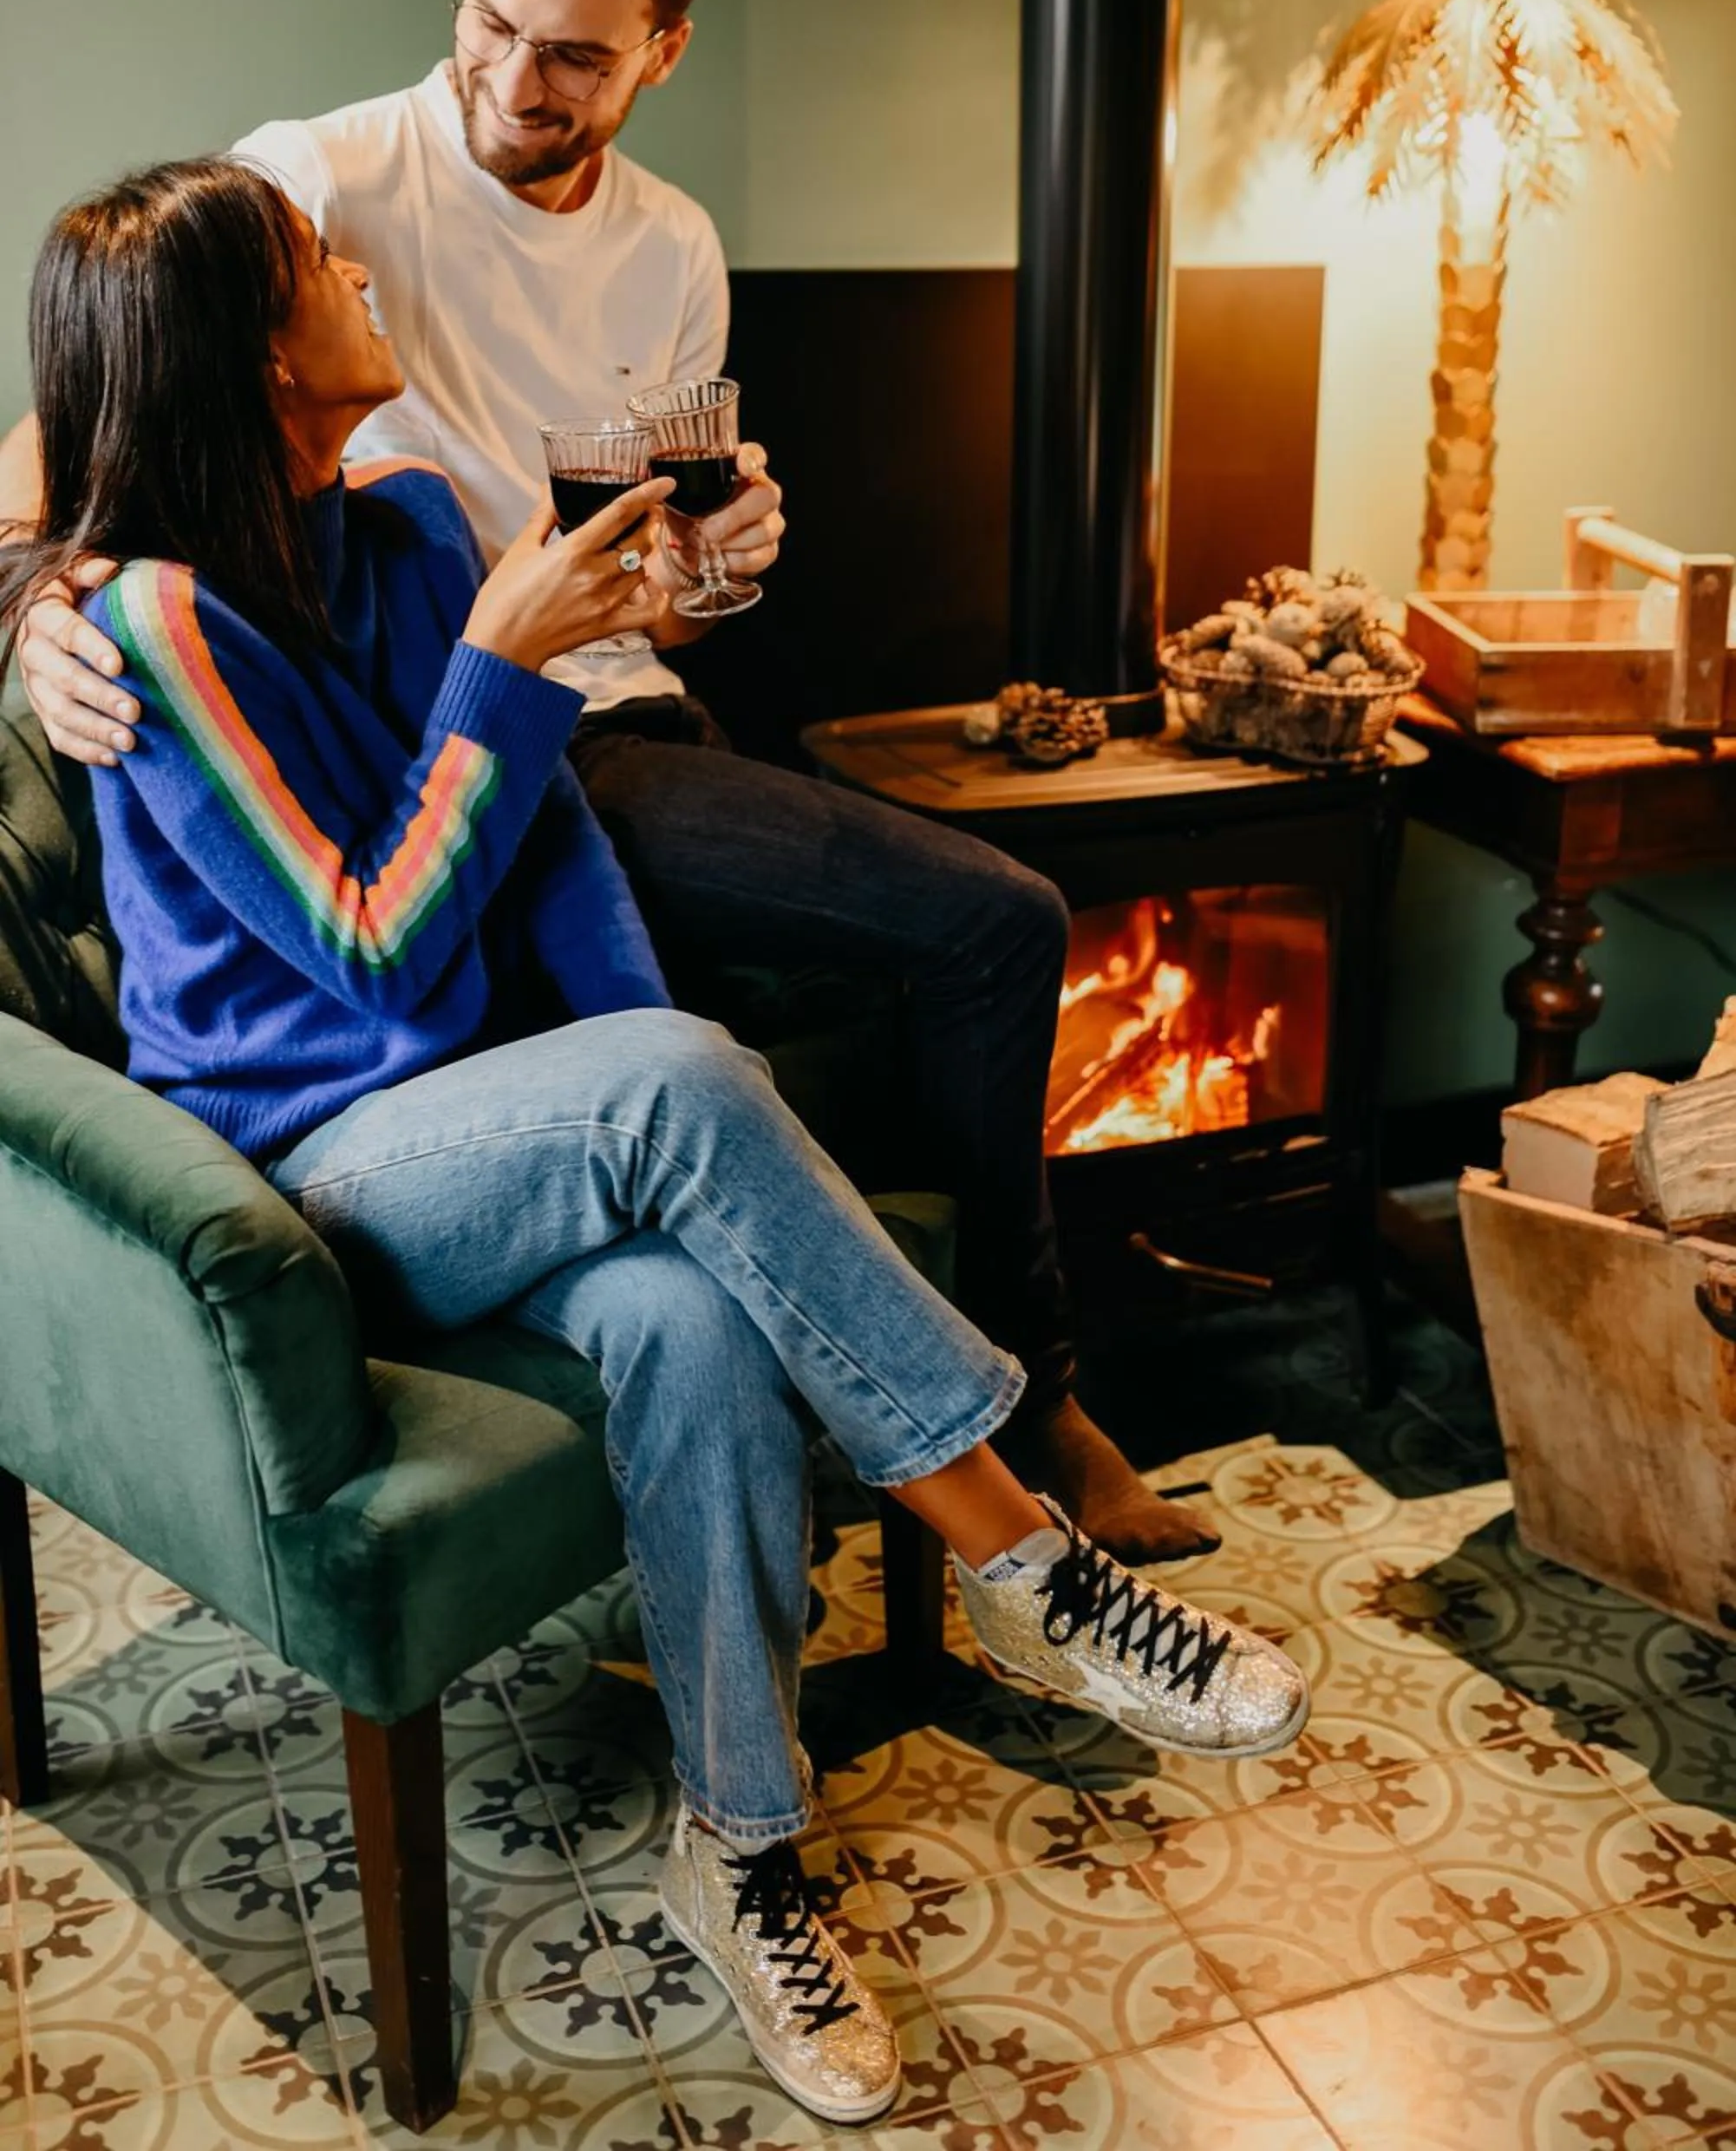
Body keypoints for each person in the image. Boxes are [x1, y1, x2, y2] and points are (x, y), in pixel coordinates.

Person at [0, 159, 1307, 2128]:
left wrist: (633, 615)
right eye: (321, 270)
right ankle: (1024, 1557)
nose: (360, 276)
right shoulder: (160, 626)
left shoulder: (420, 524)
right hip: (316, 1175)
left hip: (511, 1126)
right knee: (682, 1083)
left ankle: (739, 1845)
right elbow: (372, 944)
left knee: (692, 1323)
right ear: (263, 352)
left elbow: (548, 864)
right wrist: (508, 679)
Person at [0, 0, 1211, 1564]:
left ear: (664, 47)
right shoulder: (315, 182)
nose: (511, 82)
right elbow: (89, 428)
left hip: (639, 709)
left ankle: (770, 1466)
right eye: (490, 24)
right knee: (997, 920)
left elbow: (659, 591)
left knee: (897, 974)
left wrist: (713, 576)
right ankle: (1035, 1413)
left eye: (572, 55)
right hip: (480, 739)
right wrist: (32, 593)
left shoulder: (672, 247)